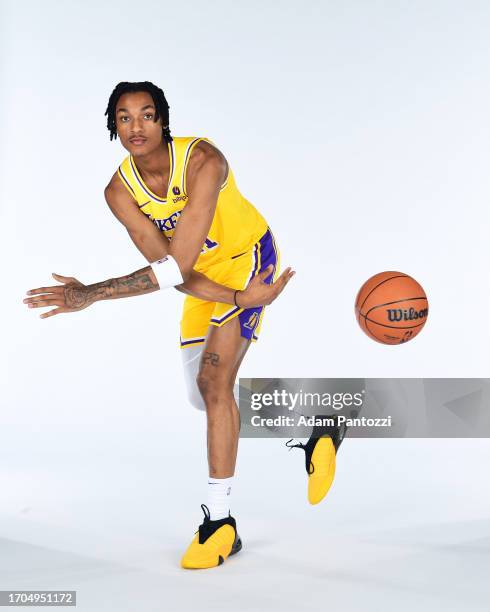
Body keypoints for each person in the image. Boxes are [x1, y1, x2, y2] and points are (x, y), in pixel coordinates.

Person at [24, 81, 338, 570]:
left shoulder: (203, 162)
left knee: (215, 383)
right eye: (124, 118)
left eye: (147, 115)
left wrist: (91, 293)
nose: (136, 127)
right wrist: (232, 299)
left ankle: (220, 524)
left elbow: (173, 265)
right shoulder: (119, 192)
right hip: (203, 281)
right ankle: (314, 422)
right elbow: (177, 274)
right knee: (203, 394)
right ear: (113, 126)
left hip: (249, 262)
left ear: (164, 120)